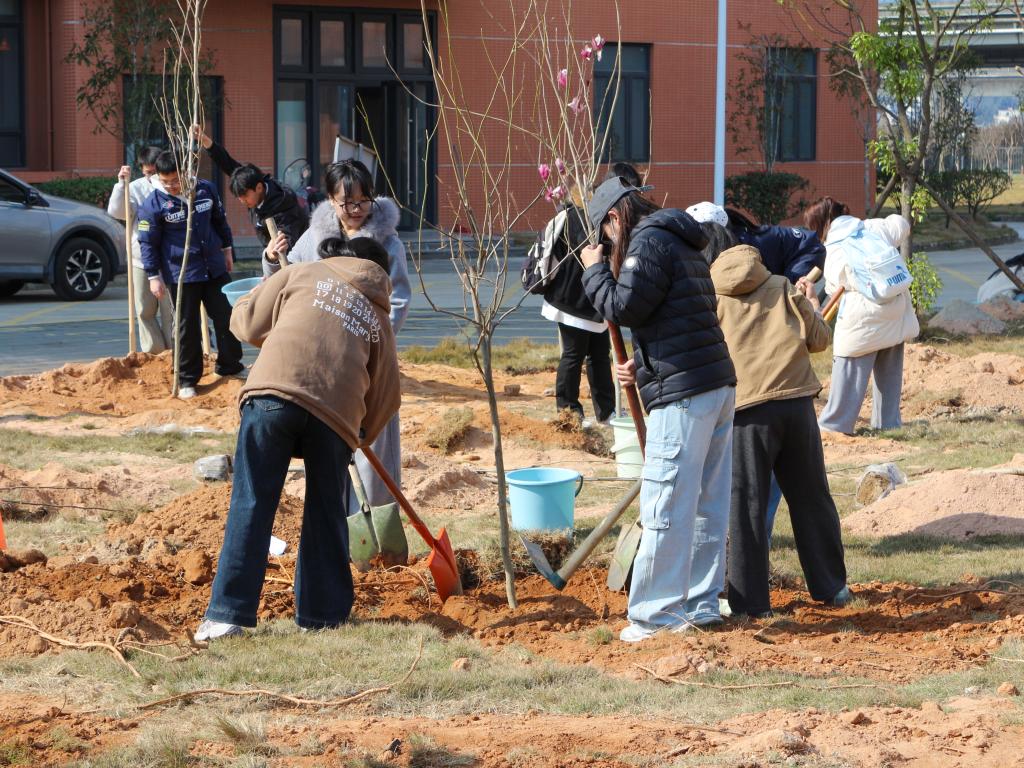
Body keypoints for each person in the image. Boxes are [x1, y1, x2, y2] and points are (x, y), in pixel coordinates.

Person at [195, 235, 401, 641]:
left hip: (272, 396)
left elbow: (246, 323)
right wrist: (361, 435)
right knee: (326, 512)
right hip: (335, 418)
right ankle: (322, 617)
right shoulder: (378, 317)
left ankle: (226, 617)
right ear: (381, 276)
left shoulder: (302, 272)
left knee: (252, 501)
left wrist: (269, 306)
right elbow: (387, 396)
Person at [581, 177, 737, 643]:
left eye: (606, 236)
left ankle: (655, 616)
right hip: (714, 384)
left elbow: (623, 306)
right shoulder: (681, 238)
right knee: (707, 504)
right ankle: (702, 604)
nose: (608, 245)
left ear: (614, 218)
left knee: (666, 502)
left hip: (685, 395)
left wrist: (594, 270)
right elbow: (675, 315)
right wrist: (643, 365)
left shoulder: (647, 242)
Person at [702, 222, 851, 618]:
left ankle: (751, 605)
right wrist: (812, 304)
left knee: (745, 507)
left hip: (745, 412)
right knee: (812, 498)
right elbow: (819, 339)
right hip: (796, 404)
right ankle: (833, 587)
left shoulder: (709, 298)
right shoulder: (782, 285)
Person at [264, 159, 411, 509]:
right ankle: (337, 518)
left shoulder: (389, 243)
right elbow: (287, 283)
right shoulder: (313, 239)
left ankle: (377, 512)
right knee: (330, 440)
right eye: (347, 203)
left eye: (363, 201)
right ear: (331, 200)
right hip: (325, 360)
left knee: (373, 438)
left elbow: (399, 300)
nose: (356, 210)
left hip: (369, 359)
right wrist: (271, 259)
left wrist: (372, 339)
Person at [804, 197, 918, 435]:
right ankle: (888, 424)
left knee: (849, 372)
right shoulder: (872, 227)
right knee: (889, 373)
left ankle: (835, 425)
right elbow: (901, 225)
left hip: (860, 318)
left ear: (822, 224)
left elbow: (834, 286)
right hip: (894, 309)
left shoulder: (833, 248)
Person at [137, 150, 244, 399]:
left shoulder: (205, 190)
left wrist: (227, 250)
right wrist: (153, 276)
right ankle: (187, 378)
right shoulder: (154, 204)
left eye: (176, 180)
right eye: (166, 182)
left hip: (214, 267)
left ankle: (230, 365)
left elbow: (220, 221)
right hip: (181, 273)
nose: (172, 186)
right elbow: (147, 243)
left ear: (187, 172)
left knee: (227, 316)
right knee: (187, 326)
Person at [538, 199, 615, 426]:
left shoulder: (590, 217)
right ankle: (568, 412)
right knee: (574, 354)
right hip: (573, 299)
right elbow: (592, 251)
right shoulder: (579, 219)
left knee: (599, 355)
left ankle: (606, 411)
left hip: (593, 299)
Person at [193, 126, 309, 262]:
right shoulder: (250, 182)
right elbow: (226, 162)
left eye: (244, 196)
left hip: (296, 259)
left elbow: (286, 246)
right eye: (239, 197)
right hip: (269, 251)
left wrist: (271, 259)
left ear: (259, 188)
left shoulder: (283, 207)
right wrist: (205, 140)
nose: (242, 201)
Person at [106, 147, 174, 354]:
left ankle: (176, 353)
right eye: (147, 173)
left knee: (172, 311)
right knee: (145, 309)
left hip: (171, 258)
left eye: (155, 172)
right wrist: (121, 185)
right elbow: (117, 212)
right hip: (142, 259)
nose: (151, 177)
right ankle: (154, 352)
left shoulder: (173, 185)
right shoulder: (135, 187)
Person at [685, 202, 826, 284]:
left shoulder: (744, 248)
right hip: (784, 257)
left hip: (806, 250)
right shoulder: (729, 241)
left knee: (786, 296)